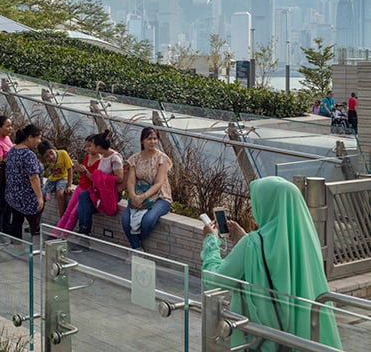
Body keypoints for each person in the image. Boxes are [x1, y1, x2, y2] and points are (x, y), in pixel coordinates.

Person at [201, 176, 342, 351]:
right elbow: (278, 265)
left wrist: (211, 241)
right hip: (304, 338)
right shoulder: (307, 241)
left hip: (264, 340)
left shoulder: (253, 244)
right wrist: (243, 238)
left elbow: (214, 279)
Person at [122, 126, 173, 251]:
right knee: (125, 220)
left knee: (148, 221)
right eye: (149, 139)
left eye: (155, 139)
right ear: (142, 141)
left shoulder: (162, 158)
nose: (153, 142)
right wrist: (133, 196)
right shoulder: (135, 159)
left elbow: (159, 183)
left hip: (160, 197)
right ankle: (138, 249)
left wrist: (143, 197)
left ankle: (135, 246)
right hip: (139, 195)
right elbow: (131, 180)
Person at [76, 130, 124, 236]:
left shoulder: (114, 158)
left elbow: (120, 178)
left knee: (85, 206)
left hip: (110, 192)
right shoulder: (103, 157)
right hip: (100, 190)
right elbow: (95, 178)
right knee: (84, 197)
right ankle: (84, 229)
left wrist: (102, 178)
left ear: (99, 146)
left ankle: (84, 230)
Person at [4, 124, 45, 239]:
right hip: (27, 198)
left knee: (16, 222)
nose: (39, 141)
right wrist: (39, 197)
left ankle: (16, 248)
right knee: (35, 225)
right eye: (38, 138)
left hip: (13, 195)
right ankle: (37, 250)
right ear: (30, 137)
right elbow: (33, 177)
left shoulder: (12, 150)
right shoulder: (28, 155)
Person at [54, 134, 101, 233]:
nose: (87, 149)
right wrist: (79, 170)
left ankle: (64, 235)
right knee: (67, 211)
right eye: (86, 146)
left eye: (89, 146)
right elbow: (84, 175)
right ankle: (55, 232)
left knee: (74, 214)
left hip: (89, 190)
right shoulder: (87, 157)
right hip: (80, 187)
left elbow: (96, 180)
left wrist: (85, 172)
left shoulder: (100, 161)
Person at [37, 139, 73, 217]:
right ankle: (36, 220)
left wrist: (69, 185)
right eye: (47, 156)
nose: (51, 157)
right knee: (43, 194)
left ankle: (62, 219)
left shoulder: (63, 153)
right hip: (52, 179)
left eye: (51, 153)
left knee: (60, 194)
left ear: (54, 149)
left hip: (63, 177)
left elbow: (70, 168)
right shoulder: (46, 161)